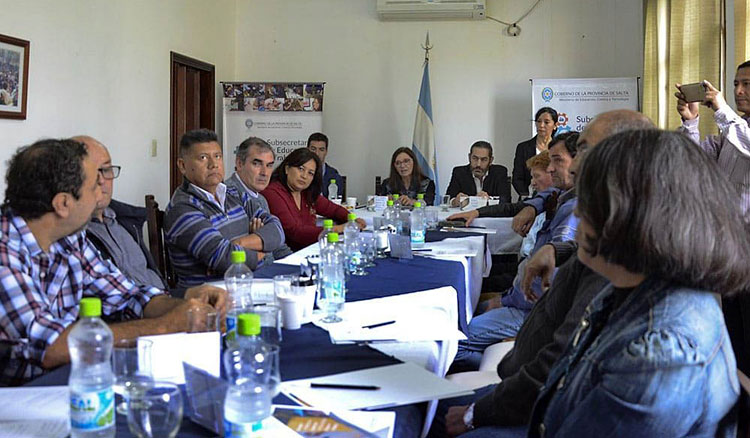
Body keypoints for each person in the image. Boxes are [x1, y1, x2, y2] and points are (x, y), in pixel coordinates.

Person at [430, 109, 655, 438]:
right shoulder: (600, 232)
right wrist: (552, 244)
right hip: (540, 388)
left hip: (559, 412)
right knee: (428, 405)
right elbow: (554, 203)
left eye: (585, 152)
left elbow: (561, 361)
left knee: (431, 412)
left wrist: (478, 413)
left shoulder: (622, 259)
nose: (573, 166)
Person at [522, 129, 750, 437]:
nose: (577, 211)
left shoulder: (658, 357)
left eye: (590, 199)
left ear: (638, 214)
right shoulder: (639, 284)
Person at [0, 138, 225, 386]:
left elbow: (127, 295)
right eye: (93, 187)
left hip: (67, 382)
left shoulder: (70, 238)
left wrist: (189, 305)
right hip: (17, 399)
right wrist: (165, 326)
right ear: (63, 203)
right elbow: (50, 346)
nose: (101, 194)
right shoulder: (5, 251)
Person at [451, 132, 579, 371]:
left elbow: (546, 282)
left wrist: (506, 300)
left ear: (581, 160)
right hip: (523, 301)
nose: (551, 169)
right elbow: (537, 198)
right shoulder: (561, 195)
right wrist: (532, 206)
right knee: (460, 311)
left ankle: (506, 370)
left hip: (533, 311)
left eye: (557, 161)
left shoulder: (573, 212)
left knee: (450, 341)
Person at [164, 129, 288, 291]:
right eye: (203, 158)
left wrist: (238, 244)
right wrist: (262, 253)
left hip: (248, 284)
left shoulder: (233, 194)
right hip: (209, 298)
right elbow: (224, 258)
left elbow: (277, 230)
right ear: (182, 166)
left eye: (217, 156)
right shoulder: (182, 208)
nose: (213, 164)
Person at [78, 136, 166, 291]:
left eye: (106, 170)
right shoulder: (72, 235)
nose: (101, 180)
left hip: (164, 300)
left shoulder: (126, 221)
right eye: (90, 172)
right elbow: (118, 300)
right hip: (134, 311)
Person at [675, 61, 750, 215]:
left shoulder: (735, 128)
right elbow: (694, 160)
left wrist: (722, 110)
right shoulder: (733, 130)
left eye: (746, 84)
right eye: (736, 84)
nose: (738, 91)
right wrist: (691, 121)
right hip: (723, 226)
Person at [262, 148, 365, 251]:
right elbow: (295, 232)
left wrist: (352, 220)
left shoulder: (306, 193)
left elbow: (333, 209)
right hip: (288, 256)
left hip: (310, 250)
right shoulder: (273, 193)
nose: (304, 176)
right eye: (301, 169)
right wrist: (339, 229)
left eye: (310, 173)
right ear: (287, 169)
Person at [225, 136, 293, 260]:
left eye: (269, 165)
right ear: (239, 164)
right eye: (257, 164)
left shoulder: (261, 199)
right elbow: (230, 251)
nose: (264, 173)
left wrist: (297, 265)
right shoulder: (228, 195)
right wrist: (259, 240)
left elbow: (278, 244)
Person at [446, 151, 552, 226]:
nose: (532, 183)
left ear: (552, 172)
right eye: (532, 177)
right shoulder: (536, 197)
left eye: (537, 176)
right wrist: (476, 212)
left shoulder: (560, 200)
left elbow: (505, 202)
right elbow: (511, 208)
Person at [512, 107, 558, 199]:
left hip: (555, 197)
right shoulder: (523, 148)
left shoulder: (558, 148)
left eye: (546, 122)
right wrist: (527, 195)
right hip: (528, 197)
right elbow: (517, 178)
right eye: (538, 121)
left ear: (555, 125)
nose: (541, 125)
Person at [445, 141, 510, 205]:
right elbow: (448, 198)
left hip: (490, 214)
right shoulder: (459, 172)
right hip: (466, 214)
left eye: (484, 159)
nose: (478, 164)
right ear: (469, 157)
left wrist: (489, 199)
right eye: (475, 158)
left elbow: (506, 199)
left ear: (491, 160)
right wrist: (454, 201)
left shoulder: (499, 172)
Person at [307, 132, 343, 199]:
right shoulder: (300, 174)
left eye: (321, 150)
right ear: (307, 150)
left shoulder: (334, 175)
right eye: (313, 149)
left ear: (326, 152)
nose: (317, 153)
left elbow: (337, 202)